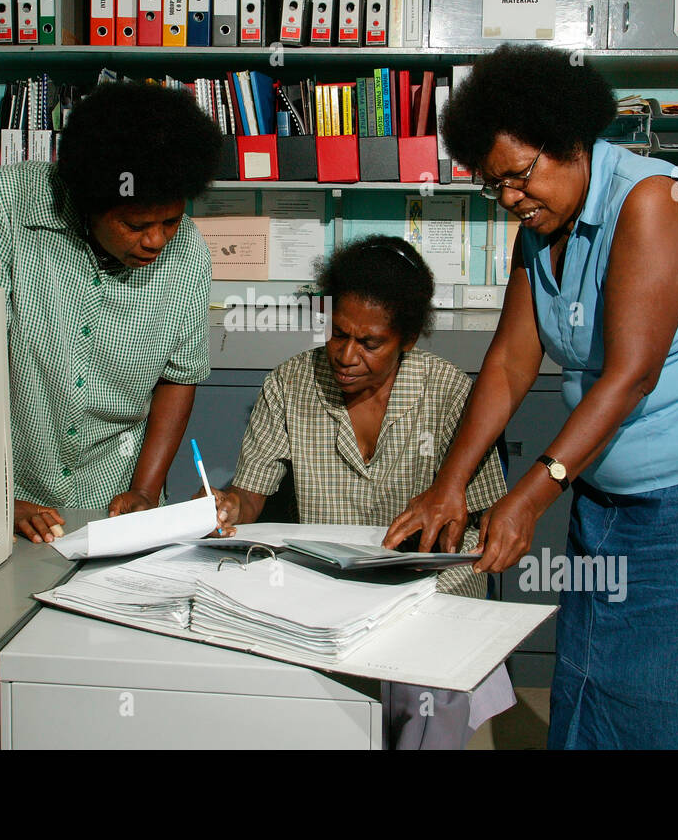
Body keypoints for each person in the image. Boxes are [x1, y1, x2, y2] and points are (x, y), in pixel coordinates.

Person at [386, 45, 678, 749]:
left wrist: (528, 494)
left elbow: (631, 374)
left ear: (572, 142)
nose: (510, 200)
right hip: (609, 492)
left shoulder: (653, 201)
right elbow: (506, 364)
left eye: (519, 177)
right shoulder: (542, 228)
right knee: (599, 679)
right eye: (494, 187)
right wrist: (450, 484)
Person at [203, 235, 516, 749]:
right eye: (338, 333)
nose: (346, 356)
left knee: (427, 700)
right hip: (330, 600)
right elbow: (251, 494)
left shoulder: (449, 391)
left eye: (370, 343)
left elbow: (481, 514)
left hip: (429, 603)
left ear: (408, 339)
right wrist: (229, 505)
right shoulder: (291, 384)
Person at [0, 81, 222, 542]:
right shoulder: (2, 207)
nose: (157, 240)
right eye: (136, 225)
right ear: (87, 201)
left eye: (171, 221)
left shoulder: (188, 254)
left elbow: (179, 377)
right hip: (4, 497)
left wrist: (144, 491)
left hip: (114, 500)